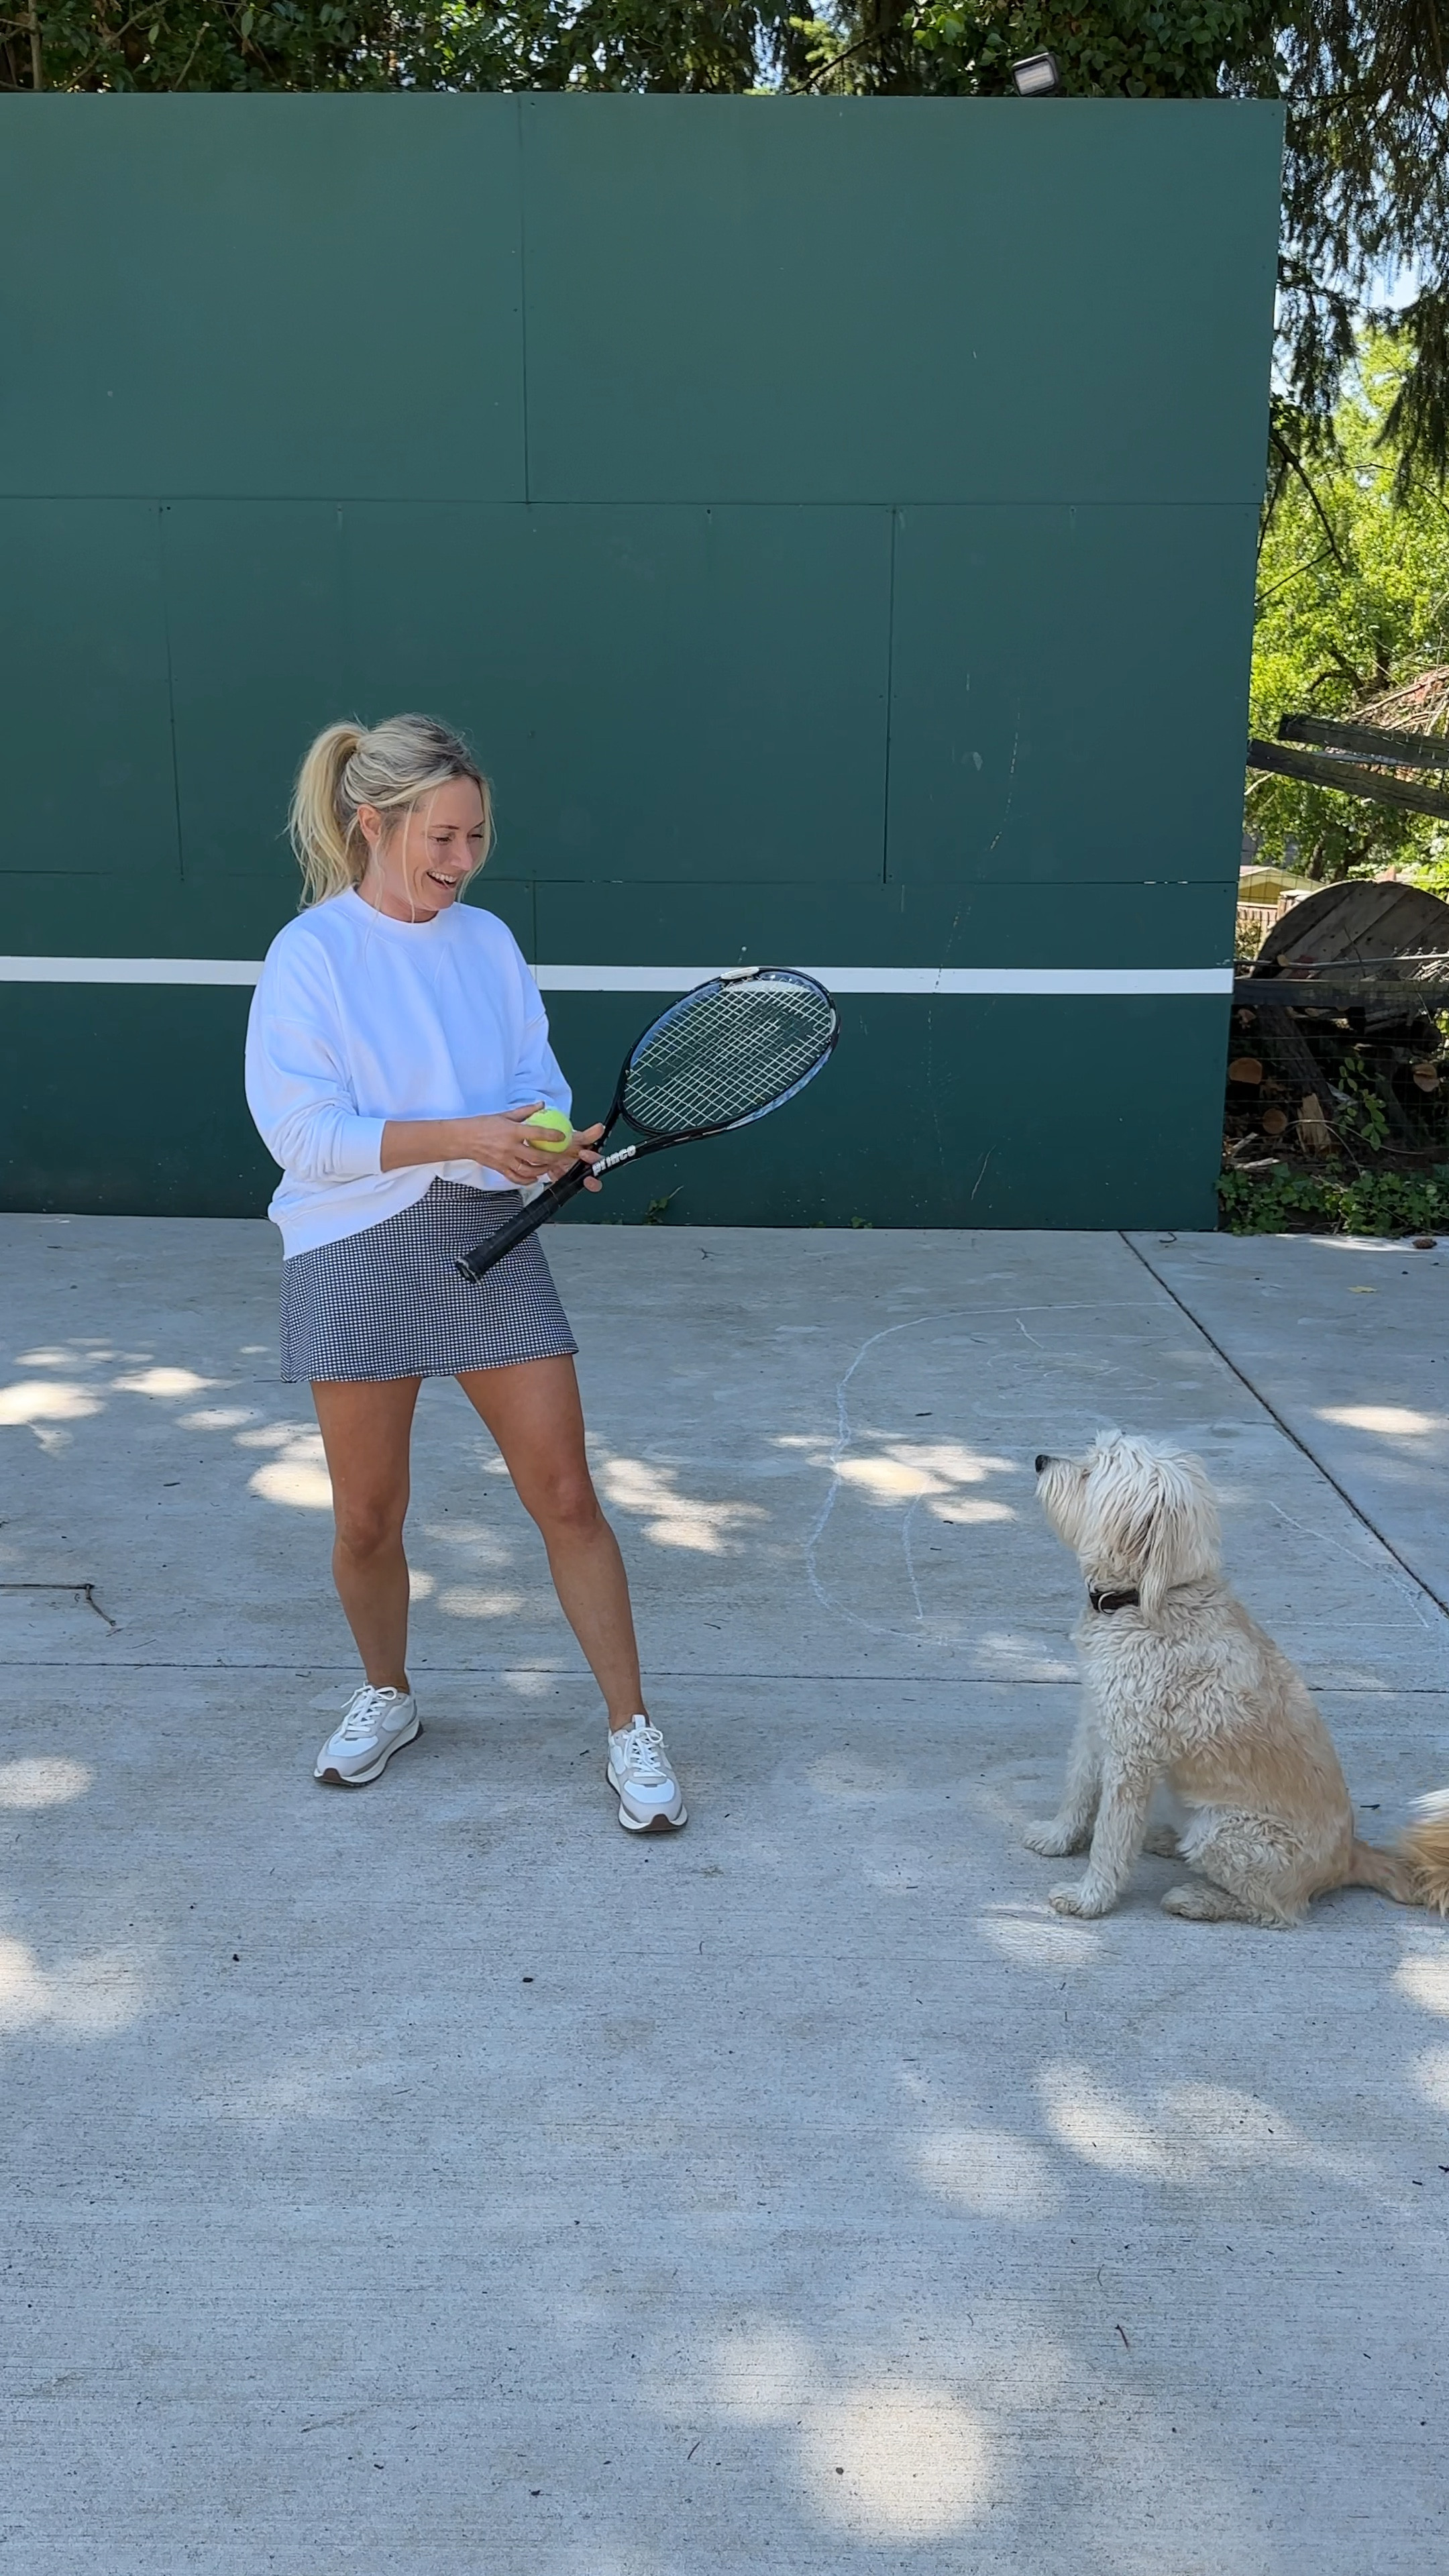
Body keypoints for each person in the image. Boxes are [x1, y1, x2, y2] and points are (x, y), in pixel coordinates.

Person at [244, 713, 685, 1832]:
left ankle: (633, 1728)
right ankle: (387, 1695)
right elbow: (304, 1134)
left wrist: (544, 1143)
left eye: (476, 838)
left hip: (492, 1234)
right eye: (440, 838)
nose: (461, 861)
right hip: (350, 1249)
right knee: (366, 1522)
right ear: (371, 823)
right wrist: (463, 1137)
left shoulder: (487, 941)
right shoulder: (313, 955)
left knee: (568, 1498)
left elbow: (531, 1078)